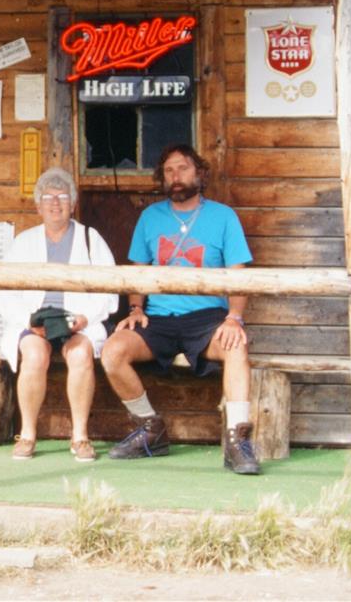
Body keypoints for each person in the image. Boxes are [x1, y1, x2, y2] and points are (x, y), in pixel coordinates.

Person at [100, 144, 260, 475]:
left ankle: (237, 442)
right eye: (169, 170)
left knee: (237, 347)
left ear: (199, 173)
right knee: (113, 351)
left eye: (183, 168)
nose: (176, 176)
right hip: (158, 318)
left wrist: (234, 317)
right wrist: (135, 308)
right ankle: (151, 429)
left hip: (206, 319)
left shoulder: (223, 216)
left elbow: (239, 273)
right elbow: (138, 271)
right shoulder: (150, 217)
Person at [0, 166, 118, 463]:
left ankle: (80, 436)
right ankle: (28, 434)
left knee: (80, 354)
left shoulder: (90, 238)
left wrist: (85, 318)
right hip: (36, 321)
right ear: (38, 206)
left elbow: (109, 288)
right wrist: (29, 322)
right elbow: (5, 290)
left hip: (78, 321)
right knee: (34, 355)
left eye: (62, 196)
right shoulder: (24, 242)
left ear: (73, 203)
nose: (55, 203)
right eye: (48, 197)